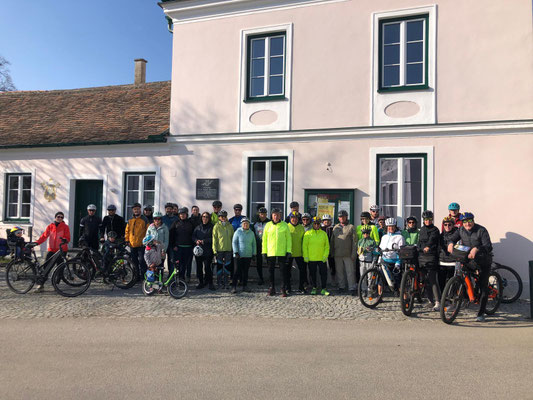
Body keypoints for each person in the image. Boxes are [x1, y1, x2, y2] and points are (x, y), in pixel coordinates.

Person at [447, 212, 493, 322]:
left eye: (469, 221)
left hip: (483, 261)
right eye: (465, 222)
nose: (467, 224)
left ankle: (481, 313)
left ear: (473, 220)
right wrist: (450, 243)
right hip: (469, 259)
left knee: (483, 287)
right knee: (462, 276)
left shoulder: (481, 230)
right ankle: (459, 301)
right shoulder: (461, 230)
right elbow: (452, 238)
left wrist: (477, 248)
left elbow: (488, 246)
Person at [35, 211, 71, 292]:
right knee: (46, 267)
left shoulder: (65, 227)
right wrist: (37, 242)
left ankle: (56, 285)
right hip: (51, 250)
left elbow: (68, 237)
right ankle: (41, 285)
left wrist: (65, 240)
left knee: (60, 268)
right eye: (58, 217)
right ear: (55, 217)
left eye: (62, 217)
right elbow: (44, 236)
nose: (60, 218)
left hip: (61, 250)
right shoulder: (50, 226)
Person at [262, 208, 292, 297]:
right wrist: (264, 252)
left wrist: (289, 251)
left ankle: (283, 288)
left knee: (283, 271)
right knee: (270, 271)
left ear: (280, 216)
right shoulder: (268, 225)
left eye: (278, 215)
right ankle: (272, 288)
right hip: (270, 252)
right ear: (272, 216)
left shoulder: (285, 225)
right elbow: (264, 239)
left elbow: (288, 239)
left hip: (282, 252)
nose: (276, 217)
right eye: (274, 215)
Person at [417, 210, 441, 311]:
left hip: (431, 256)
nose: (428, 221)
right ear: (423, 220)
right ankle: (430, 301)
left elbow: (432, 240)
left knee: (432, 279)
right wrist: (418, 248)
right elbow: (419, 241)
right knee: (425, 280)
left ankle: (438, 302)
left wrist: (428, 247)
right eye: (426, 219)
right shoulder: (422, 229)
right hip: (422, 256)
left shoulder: (435, 230)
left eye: (430, 219)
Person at [330, 210, 357, 296]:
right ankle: (341, 286)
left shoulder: (351, 227)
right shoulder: (335, 227)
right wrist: (331, 252)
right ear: (338, 218)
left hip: (348, 254)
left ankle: (352, 287)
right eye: (340, 217)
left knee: (350, 272)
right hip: (337, 253)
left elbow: (354, 242)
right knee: (339, 272)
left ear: (346, 217)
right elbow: (332, 241)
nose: (342, 218)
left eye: (343, 216)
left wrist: (354, 254)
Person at [303, 216, 330, 296]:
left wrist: (325, 256)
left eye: (318, 224)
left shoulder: (323, 234)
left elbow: (327, 246)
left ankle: (324, 288)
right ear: (312, 224)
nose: (317, 225)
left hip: (322, 258)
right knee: (312, 274)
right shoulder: (308, 233)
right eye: (315, 224)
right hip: (311, 258)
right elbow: (304, 246)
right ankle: (314, 287)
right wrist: (306, 256)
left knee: (323, 274)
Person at [125, 202, 150, 281]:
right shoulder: (130, 220)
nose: (136, 211)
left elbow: (148, 231)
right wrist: (127, 240)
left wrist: (146, 241)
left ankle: (143, 276)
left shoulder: (144, 219)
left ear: (140, 210)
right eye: (135, 209)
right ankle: (136, 276)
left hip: (141, 244)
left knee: (142, 261)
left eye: (138, 209)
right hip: (132, 244)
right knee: (134, 261)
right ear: (133, 210)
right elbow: (127, 231)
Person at [378, 217, 405, 291]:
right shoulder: (384, 237)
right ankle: (378, 296)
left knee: (398, 282)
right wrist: (379, 259)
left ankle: (402, 296)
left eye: (393, 226)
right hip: (385, 261)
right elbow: (381, 249)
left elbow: (401, 251)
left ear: (395, 227)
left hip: (395, 261)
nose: (391, 228)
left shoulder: (400, 237)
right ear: (387, 227)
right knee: (380, 280)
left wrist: (398, 263)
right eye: (389, 226)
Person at [232, 217, 256, 293]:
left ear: (249, 224)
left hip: (248, 255)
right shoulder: (238, 232)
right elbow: (234, 242)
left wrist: (254, 254)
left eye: (247, 223)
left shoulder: (251, 233)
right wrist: (236, 252)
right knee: (236, 271)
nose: (245, 225)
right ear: (241, 224)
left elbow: (254, 244)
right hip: (238, 255)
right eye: (244, 223)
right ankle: (234, 286)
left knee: (245, 271)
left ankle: (245, 286)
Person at [170, 207, 194, 281]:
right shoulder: (176, 223)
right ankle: (177, 279)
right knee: (178, 264)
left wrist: (193, 246)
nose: (182, 215)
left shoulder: (191, 223)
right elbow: (171, 235)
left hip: (188, 247)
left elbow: (193, 234)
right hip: (178, 247)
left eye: (183, 214)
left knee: (185, 264)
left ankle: (182, 278)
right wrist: (173, 245)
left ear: (186, 215)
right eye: (180, 214)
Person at [192, 212, 215, 290]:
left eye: (206, 217)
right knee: (199, 268)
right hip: (199, 251)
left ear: (209, 218)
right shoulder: (198, 227)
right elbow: (193, 236)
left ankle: (210, 283)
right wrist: (196, 240)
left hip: (208, 251)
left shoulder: (212, 227)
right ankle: (201, 282)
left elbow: (214, 238)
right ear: (201, 218)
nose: (205, 218)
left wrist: (204, 241)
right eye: (203, 217)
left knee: (208, 268)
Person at [287, 211, 307, 293]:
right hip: (289, 253)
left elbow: (304, 241)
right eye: (292, 218)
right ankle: (288, 288)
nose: (294, 220)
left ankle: (301, 287)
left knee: (302, 271)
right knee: (287, 271)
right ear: (290, 218)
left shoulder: (301, 228)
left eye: (296, 218)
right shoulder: (286, 227)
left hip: (299, 253)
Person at [212, 210, 234, 284]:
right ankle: (219, 281)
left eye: (225, 216)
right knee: (219, 266)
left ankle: (226, 280)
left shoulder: (230, 226)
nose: (223, 218)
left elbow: (232, 238)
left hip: (228, 249)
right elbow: (214, 239)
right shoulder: (216, 226)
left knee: (227, 266)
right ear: (219, 217)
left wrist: (233, 249)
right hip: (220, 249)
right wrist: (214, 250)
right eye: (221, 216)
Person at [439, 216, 458, 290]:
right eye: (445, 224)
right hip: (442, 262)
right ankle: (443, 296)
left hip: (452, 262)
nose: (447, 226)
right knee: (441, 283)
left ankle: (451, 296)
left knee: (451, 284)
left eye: (449, 224)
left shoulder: (457, 235)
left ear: (453, 225)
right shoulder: (441, 235)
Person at [251, 207, 269, 285]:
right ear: (259, 214)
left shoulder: (269, 222)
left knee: (269, 262)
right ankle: (260, 278)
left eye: (264, 214)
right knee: (259, 263)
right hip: (258, 245)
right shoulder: (255, 223)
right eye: (261, 214)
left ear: (266, 214)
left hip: (267, 245)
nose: (263, 215)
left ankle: (270, 278)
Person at [321, 214, 336, 280]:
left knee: (332, 266)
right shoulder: (320, 229)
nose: (326, 222)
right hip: (323, 250)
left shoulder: (333, 229)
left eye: (328, 220)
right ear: (323, 221)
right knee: (323, 267)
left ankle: (333, 280)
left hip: (331, 250)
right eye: (325, 220)